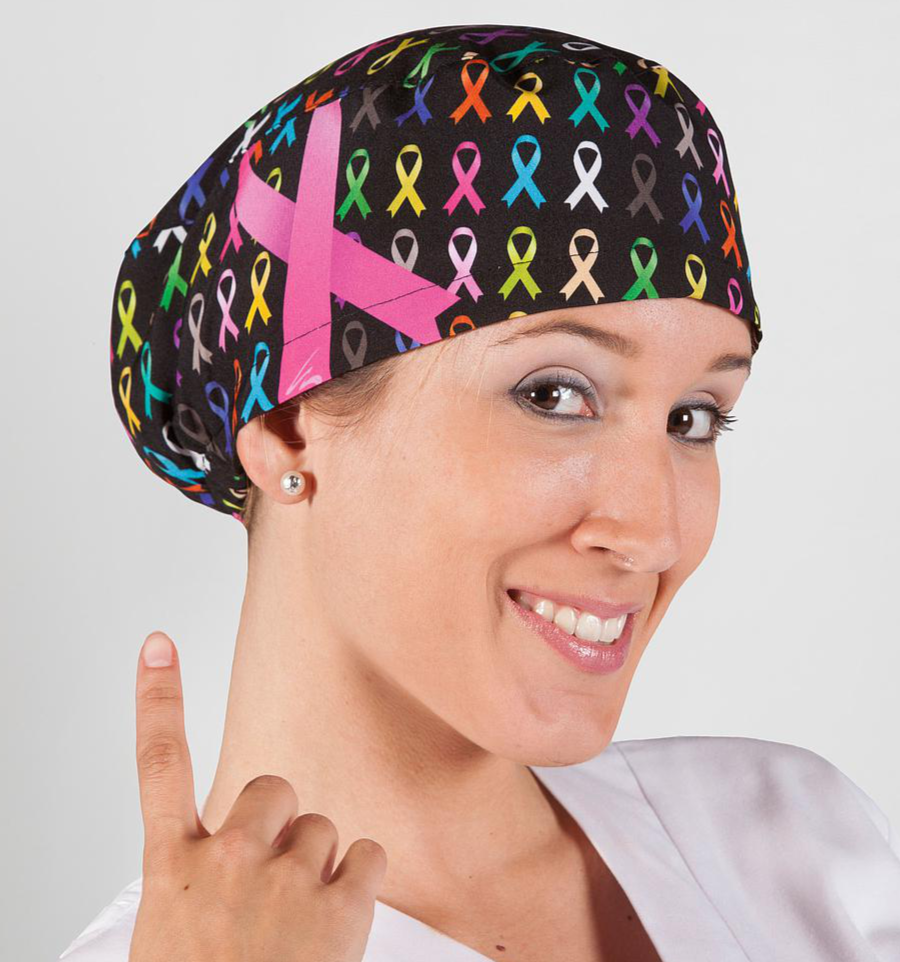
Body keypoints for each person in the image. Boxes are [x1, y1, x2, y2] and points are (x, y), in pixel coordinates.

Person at [61, 21, 900, 962]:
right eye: (555, 395)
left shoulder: (806, 853)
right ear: (289, 425)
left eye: (694, 418)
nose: (654, 532)